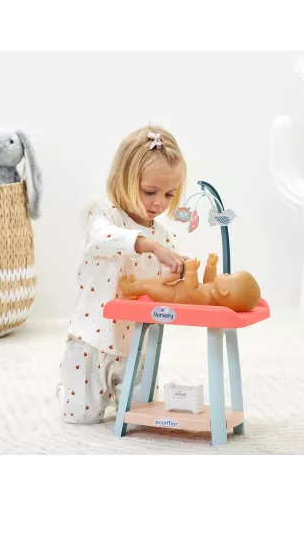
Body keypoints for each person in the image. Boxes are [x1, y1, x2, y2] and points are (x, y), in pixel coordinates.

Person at [58, 126, 189, 424]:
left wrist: (180, 274)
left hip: (136, 347)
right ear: (124, 179)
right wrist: (148, 245)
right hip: (92, 338)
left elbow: (162, 288)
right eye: (150, 191)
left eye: (169, 194)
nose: (159, 202)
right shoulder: (104, 214)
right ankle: (65, 387)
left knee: (138, 417)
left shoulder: (164, 237)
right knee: (80, 416)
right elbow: (100, 239)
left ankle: (118, 392)